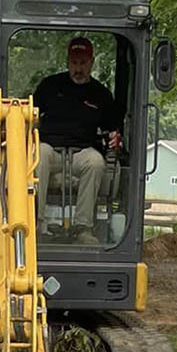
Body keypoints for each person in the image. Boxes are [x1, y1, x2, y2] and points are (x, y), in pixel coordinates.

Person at [33, 36, 122, 245]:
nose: (78, 68)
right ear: (67, 62)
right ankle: (36, 224)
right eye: (74, 63)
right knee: (39, 154)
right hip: (51, 150)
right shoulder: (49, 86)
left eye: (83, 63)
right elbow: (31, 116)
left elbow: (112, 128)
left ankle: (83, 228)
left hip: (82, 152)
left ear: (91, 62)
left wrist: (113, 136)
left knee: (96, 162)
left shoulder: (101, 95)